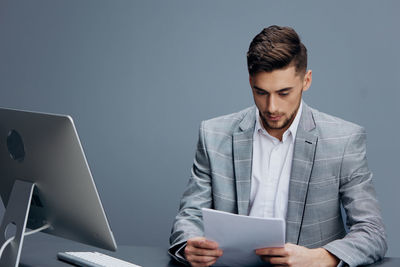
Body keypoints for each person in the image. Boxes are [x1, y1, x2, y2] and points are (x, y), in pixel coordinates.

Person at [169, 25, 387, 267]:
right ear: (250, 81)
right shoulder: (213, 135)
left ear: (306, 80)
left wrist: (318, 258)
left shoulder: (344, 140)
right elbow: (189, 216)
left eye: (284, 93)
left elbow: (372, 232)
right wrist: (190, 244)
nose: (271, 107)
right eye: (261, 92)